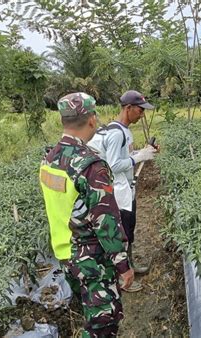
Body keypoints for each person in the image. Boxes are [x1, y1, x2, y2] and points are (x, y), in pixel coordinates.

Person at [39, 92, 134, 337]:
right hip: (91, 260)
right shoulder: (91, 166)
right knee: (103, 323)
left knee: (87, 311)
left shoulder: (49, 159)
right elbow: (106, 223)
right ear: (92, 119)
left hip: (64, 254)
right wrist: (123, 265)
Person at [88, 90, 157, 292]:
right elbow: (112, 165)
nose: (142, 114)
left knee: (129, 230)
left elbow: (122, 157)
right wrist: (139, 157)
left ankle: (131, 265)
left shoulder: (121, 130)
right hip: (117, 192)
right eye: (140, 110)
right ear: (128, 109)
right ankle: (123, 279)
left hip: (126, 188)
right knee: (122, 234)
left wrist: (142, 152)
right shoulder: (117, 133)